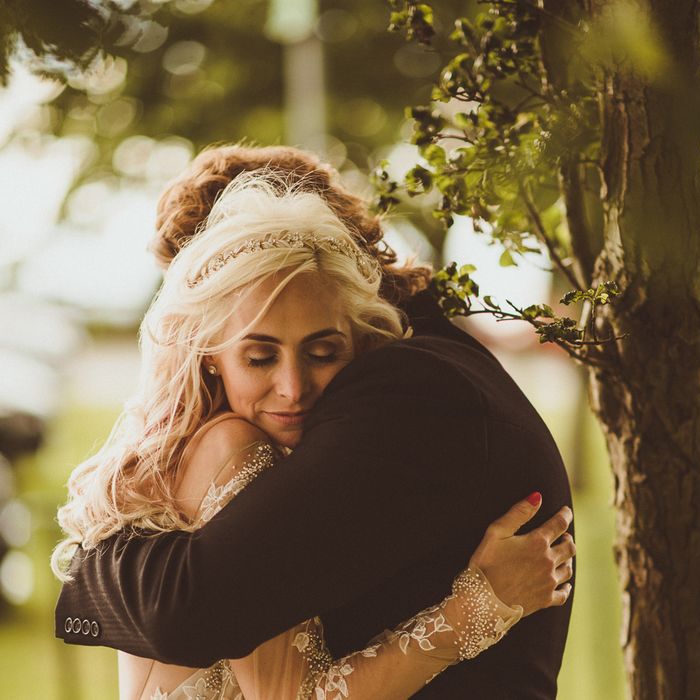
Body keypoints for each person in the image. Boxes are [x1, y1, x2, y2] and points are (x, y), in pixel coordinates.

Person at [55, 146, 576, 698]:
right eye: (259, 354)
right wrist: (479, 608)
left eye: (323, 351)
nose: (294, 387)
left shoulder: (408, 386)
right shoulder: (234, 445)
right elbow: (206, 628)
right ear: (205, 344)